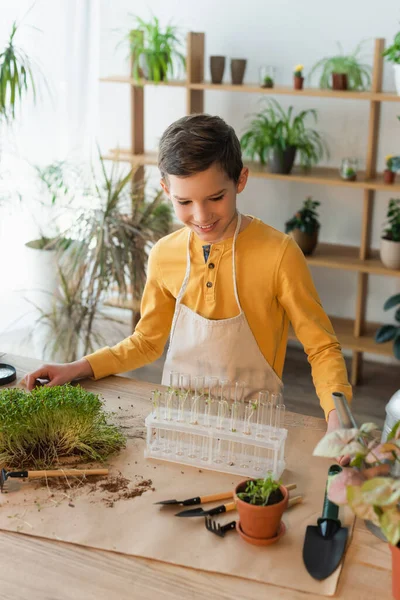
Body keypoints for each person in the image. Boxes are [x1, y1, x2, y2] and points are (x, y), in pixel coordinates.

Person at [23, 113, 352, 458]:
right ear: (166, 190)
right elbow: (146, 342)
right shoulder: (165, 255)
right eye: (184, 202)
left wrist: (336, 416)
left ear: (241, 180)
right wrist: (79, 367)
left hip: (255, 434)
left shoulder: (279, 254)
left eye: (215, 197)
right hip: (178, 429)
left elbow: (321, 347)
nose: (201, 215)